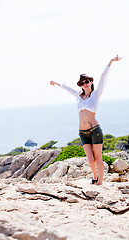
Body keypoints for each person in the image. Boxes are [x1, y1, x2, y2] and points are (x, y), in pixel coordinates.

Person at [50, 55, 121, 185]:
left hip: (95, 130)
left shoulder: (96, 94)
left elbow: (103, 77)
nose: (85, 84)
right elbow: (67, 89)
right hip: (82, 132)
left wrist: (110, 62)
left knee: (98, 157)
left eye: (87, 81)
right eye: (82, 83)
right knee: (90, 158)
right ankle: (94, 176)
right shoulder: (78, 96)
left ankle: (100, 181)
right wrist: (56, 84)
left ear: (91, 82)